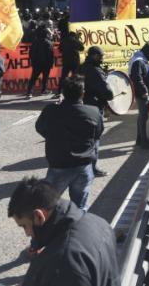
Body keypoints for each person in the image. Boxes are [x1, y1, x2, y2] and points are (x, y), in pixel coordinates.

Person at [8, 177, 120, 286]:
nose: (27, 234)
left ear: (38, 216)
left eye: (24, 226)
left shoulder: (63, 261)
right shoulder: (99, 222)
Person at [35, 76, 103, 211]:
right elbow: (97, 134)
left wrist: (54, 137)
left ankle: (51, 231)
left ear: (63, 93)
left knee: (48, 206)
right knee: (80, 206)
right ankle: (79, 230)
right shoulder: (93, 112)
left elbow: (40, 128)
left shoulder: (50, 110)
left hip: (58, 166)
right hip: (83, 166)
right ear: (83, 93)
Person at [81, 46, 114, 178]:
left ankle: (85, 167)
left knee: (86, 139)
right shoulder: (95, 71)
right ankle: (93, 169)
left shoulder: (81, 67)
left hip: (82, 107)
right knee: (95, 140)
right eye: (100, 56)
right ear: (94, 56)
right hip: (94, 108)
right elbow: (107, 92)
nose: (102, 58)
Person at [129, 43, 149, 149]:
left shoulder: (141, 59)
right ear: (146, 52)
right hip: (142, 94)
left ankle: (140, 139)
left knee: (142, 116)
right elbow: (137, 78)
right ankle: (144, 142)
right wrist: (144, 91)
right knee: (143, 116)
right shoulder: (138, 62)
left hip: (143, 92)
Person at [27, 27, 55, 99]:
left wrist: (32, 61)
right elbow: (51, 54)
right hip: (46, 64)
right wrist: (51, 64)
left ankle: (29, 92)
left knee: (33, 78)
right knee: (45, 78)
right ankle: (43, 90)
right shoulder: (49, 43)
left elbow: (30, 53)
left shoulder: (35, 42)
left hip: (36, 64)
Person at [58, 31, 85, 98]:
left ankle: (59, 91)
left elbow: (60, 49)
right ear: (74, 36)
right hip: (74, 62)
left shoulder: (64, 41)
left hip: (66, 61)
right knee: (75, 77)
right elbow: (82, 48)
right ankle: (75, 91)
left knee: (63, 76)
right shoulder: (75, 40)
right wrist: (77, 39)